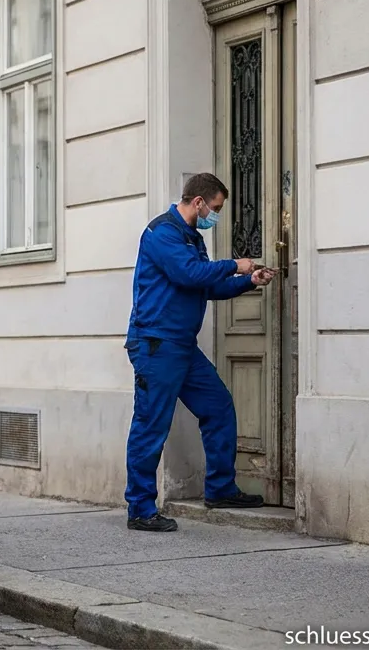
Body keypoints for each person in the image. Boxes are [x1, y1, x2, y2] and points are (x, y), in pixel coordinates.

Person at [124, 173, 275, 532]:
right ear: (198, 203)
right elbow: (190, 275)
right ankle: (140, 508)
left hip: (182, 347)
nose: (215, 215)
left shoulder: (192, 237)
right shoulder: (161, 233)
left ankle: (220, 488)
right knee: (151, 425)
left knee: (218, 407)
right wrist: (235, 264)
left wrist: (247, 282)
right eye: (216, 208)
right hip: (156, 344)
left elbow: (206, 288)